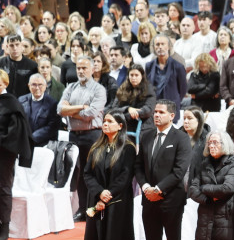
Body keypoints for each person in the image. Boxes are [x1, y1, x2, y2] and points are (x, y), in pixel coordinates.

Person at [134, 99, 192, 240]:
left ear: (172, 116)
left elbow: (179, 171)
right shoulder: (147, 135)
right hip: (149, 199)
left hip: (172, 200)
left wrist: (158, 189)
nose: (156, 115)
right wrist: (145, 188)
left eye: (161, 112)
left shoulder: (181, 137)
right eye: (155, 112)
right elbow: (138, 165)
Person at [58, 55, 107, 220]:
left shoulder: (99, 89)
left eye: (84, 68)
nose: (80, 71)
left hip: (92, 134)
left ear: (93, 69)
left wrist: (70, 111)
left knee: (93, 172)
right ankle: (82, 209)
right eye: (78, 68)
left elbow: (91, 114)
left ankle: (94, 207)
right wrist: (79, 107)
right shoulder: (71, 87)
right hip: (74, 135)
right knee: (78, 172)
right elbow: (60, 110)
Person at [0, 69, 33, 240]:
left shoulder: (11, 103)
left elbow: (16, 132)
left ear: (5, 84)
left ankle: (4, 225)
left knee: (3, 187)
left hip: (5, 152)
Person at [108, 63, 155, 137]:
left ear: (142, 76)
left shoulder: (149, 89)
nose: (133, 78)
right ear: (128, 76)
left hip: (144, 129)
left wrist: (131, 114)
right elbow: (114, 109)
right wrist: (128, 109)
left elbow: (148, 110)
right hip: (125, 128)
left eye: (136, 75)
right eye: (131, 75)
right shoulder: (122, 89)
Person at [145, 34, 187, 113]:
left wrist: (175, 100)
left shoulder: (178, 66)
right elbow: (147, 86)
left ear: (168, 46)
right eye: (157, 44)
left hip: (172, 108)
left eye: (162, 44)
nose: (160, 47)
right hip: (154, 107)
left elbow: (183, 89)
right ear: (153, 47)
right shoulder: (149, 66)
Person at [18, 74, 59, 148]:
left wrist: (30, 138)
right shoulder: (21, 100)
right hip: (24, 144)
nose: (37, 88)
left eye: (40, 85)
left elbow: (52, 127)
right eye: (34, 84)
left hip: (44, 145)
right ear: (29, 85)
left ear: (45, 85)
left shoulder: (53, 103)